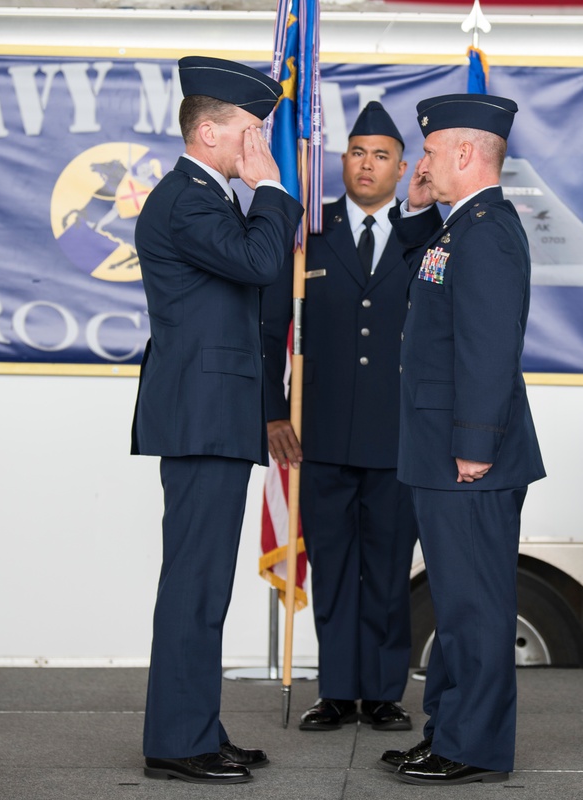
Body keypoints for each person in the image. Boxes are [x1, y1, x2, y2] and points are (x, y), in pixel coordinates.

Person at [131, 55, 303, 785]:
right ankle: (177, 740)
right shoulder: (189, 198)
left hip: (214, 415)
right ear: (207, 133)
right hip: (201, 417)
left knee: (202, 585)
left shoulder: (205, 195)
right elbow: (262, 262)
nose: (259, 143)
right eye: (251, 130)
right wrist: (272, 186)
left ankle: (195, 725)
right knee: (194, 584)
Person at [378, 93, 545, 786]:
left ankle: (473, 747)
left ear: (468, 154)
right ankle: (447, 731)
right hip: (440, 449)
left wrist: (475, 442)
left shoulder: (491, 230)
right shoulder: (460, 229)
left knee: (475, 606)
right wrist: (418, 210)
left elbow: (487, 347)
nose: (422, 162)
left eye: (432, 150)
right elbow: (426, 286)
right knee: (454, 602)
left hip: (469, 454)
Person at [261, 101, 418, 733]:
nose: (367, 165)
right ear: (341, 160)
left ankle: (381, 692)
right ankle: (336, 690)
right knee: (330, 566)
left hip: (399, 437)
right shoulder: (309, 232)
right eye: (357, 152)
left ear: (404, 168)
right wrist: (273, 411)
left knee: (385, 570)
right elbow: (272, 328)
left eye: (382, 155)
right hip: (318, 436)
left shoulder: (424, 235)